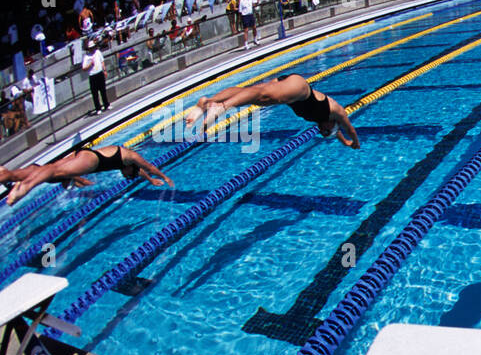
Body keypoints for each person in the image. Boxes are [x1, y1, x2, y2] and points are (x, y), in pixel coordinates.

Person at [185, 73, 360, 148]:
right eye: (326, 130)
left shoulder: (325, 123)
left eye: (323, 133)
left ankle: (208, 102)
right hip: (299, 88)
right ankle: (220, 108)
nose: (322, 131)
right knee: (261, 94)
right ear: (334, 124)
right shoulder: (336, 111)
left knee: (252, 96)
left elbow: (335, 132)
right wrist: (354, 142)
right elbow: (349, 129)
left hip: (288, 92)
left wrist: (343, 142)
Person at [1, 144, 172, 205]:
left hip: (85, 155)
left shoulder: (127, 163)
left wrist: (151, 181)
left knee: (52, 172)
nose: (126, 176)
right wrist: (164, 177)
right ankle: (25, 187)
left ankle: (7, 175)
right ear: (131, 168)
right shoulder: (131, 157)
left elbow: (143, 173)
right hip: (92, 160)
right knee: (55, 172)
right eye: (129, 176)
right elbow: (148, 167)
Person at [82, 39, 109, 113]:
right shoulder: (87, 57)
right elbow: (84, 68)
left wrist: (104, 70)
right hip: (93, 75)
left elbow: (102, 61)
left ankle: (106, 104)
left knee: (103, 90)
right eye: (91, 48)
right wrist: (90, 64)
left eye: (93, 47)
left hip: (99, 73)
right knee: (95, 93)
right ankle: (98, 108)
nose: (93, 49)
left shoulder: (98, 52)